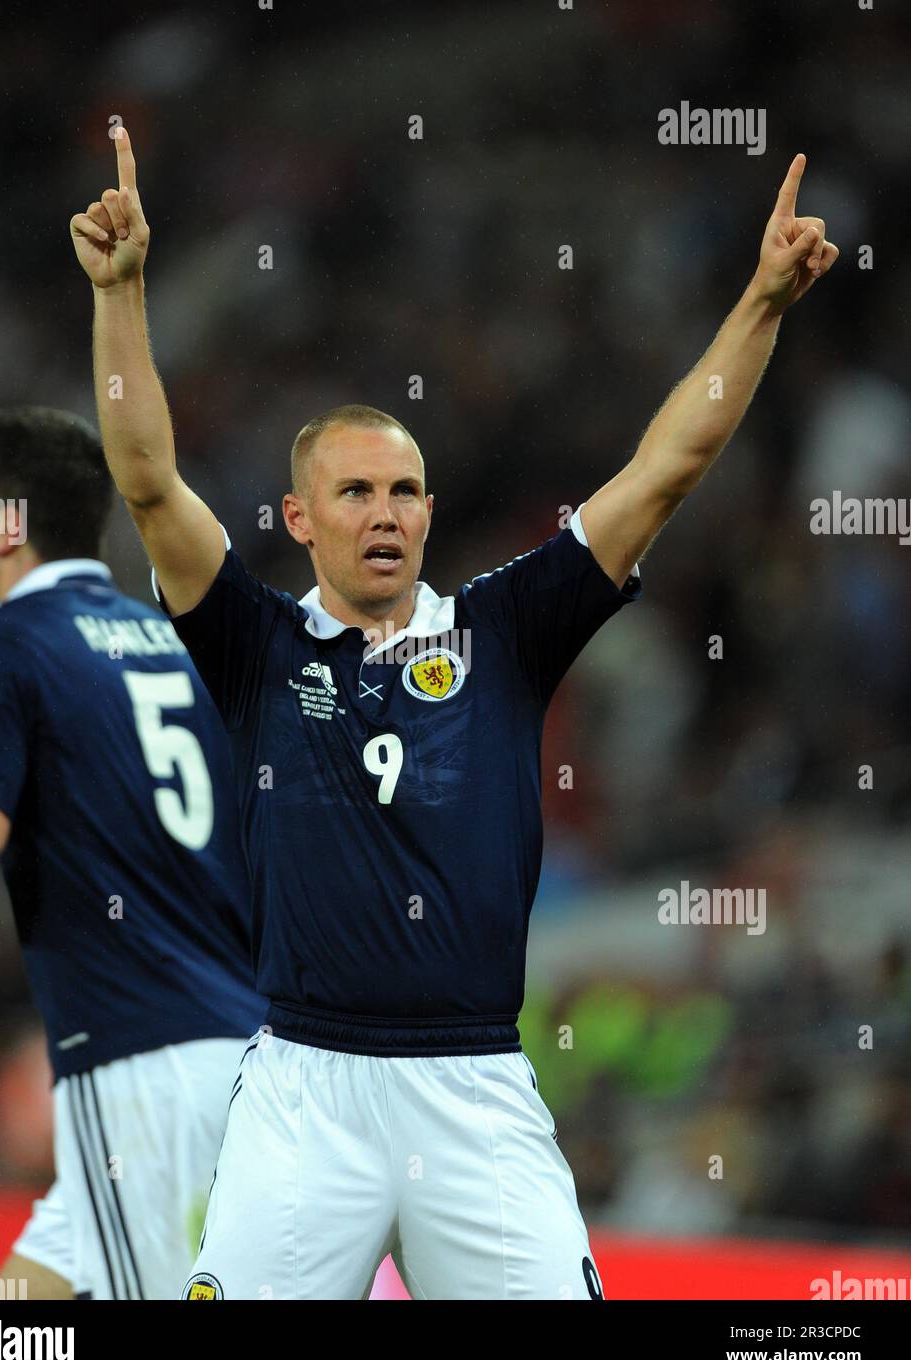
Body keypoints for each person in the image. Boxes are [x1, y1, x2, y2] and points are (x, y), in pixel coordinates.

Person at [71, 127, 836, 1299]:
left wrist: (761, 304)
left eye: (406, 490)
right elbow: (144, 477)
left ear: (429, 512)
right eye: (356, 491)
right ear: (300, 516)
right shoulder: (253, 645)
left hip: (472, 1089)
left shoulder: (506, 628)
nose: (386, 512)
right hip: (303, 1094)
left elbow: (665, 469)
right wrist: (120, 295)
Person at [0, 406, 267, 1299]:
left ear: (6, 527)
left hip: (139, 1064)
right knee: (12, 1324)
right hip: (239, 1050)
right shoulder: (178, 646)